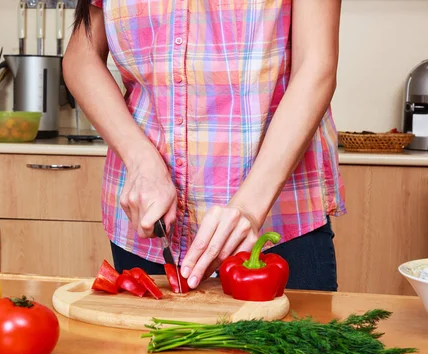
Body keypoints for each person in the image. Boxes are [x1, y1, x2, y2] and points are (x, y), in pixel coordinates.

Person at [62, 0, 345, 292]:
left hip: (278, 223)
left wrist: (249, 207)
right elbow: (81, 57)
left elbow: (316, 65)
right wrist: (140, 160)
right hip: (148, 225)